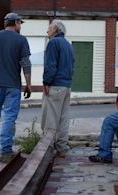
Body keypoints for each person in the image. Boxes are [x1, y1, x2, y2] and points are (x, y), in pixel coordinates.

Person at [0, 12, 32, 162]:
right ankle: (6, 149)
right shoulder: (21, 40)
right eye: (20, 23)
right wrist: (28, 85)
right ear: (15, 22)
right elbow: (26, 65)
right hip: (13, 85)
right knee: (9, 116)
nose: (20, 26)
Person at [41, 19, 74, 158]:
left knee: (50, 119)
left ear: (55, 30)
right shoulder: (68, 45)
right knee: (63, 119)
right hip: (66, 86)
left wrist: (46, 82)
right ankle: (62, 148)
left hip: (55, 85)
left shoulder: (53, 43)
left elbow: (50, 65)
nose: (47, 31)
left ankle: (46, 148)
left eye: (49, 28)